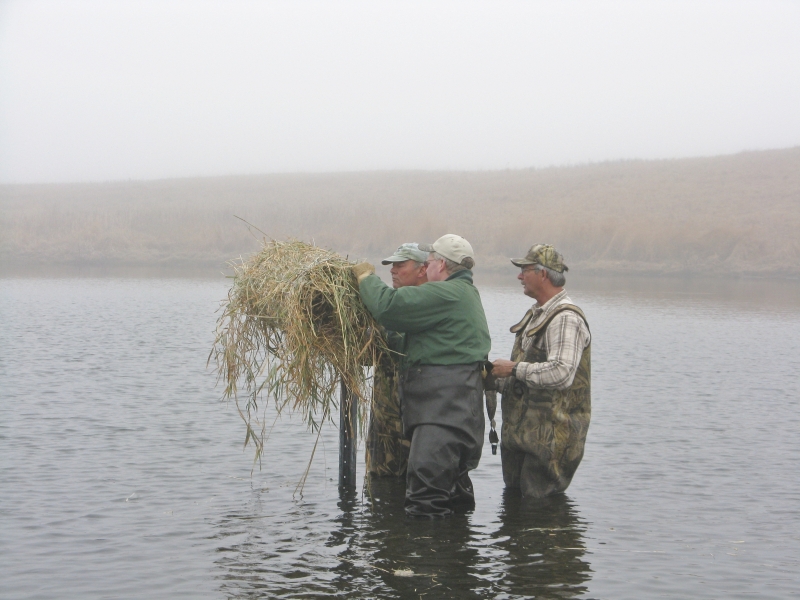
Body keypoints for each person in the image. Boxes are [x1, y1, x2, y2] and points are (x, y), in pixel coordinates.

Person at [353, 234, 491, 517]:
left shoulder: (448, 293)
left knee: (426, 500)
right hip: (452, 412)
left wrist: (365, 277)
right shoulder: (460, 295)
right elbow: (398, 344)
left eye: (428, 263)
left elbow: (389, 307)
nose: (427, 269)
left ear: (441, 264)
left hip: (443, 415)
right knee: (452, 495)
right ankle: (457, 553)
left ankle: (427, 557)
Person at [490, 244, 591, 498]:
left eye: (524, 270)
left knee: (541, 518)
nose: (519, 276)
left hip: (550, 445)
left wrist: (512, 369)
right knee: (516, 518)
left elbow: (562, 373)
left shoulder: (565, 318)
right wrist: (490, 378)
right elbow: (526, 378)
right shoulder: (537, 314)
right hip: (523, 440)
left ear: (543, 274)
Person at [366, 243, 428, 477]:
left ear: (422, 270)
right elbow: (369, 355)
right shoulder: (388, 309)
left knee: (418, 491)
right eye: (392, 265)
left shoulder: (434, 306)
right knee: (379, 489)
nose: (392, 270)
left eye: (400, 265)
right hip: (383, 428)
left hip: (417, 427)